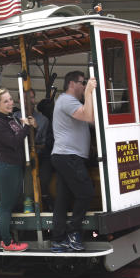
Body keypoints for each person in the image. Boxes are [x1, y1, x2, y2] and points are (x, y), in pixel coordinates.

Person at [50, 70, 97, 252]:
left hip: (66, 155)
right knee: (85, 192)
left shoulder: (71, 102)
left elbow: (91, 120)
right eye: (82, 82)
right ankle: (73, 233)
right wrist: (89, 93)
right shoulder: (67, 100)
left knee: (63, 199)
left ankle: (58, 238)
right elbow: (88, 116)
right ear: (71, 84)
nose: (84, 85)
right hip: (67, 156)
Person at [0, 89, 36, 252]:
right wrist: (26, 127)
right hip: (7, 167)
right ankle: (7, 243)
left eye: (10, 100)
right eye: (6, 101)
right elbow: (14, 142)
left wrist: (27, 126)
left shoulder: (10, 118)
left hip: (15, 166)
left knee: (10, 203)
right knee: (6, 207)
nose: (10, 103)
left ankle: (9, 240)